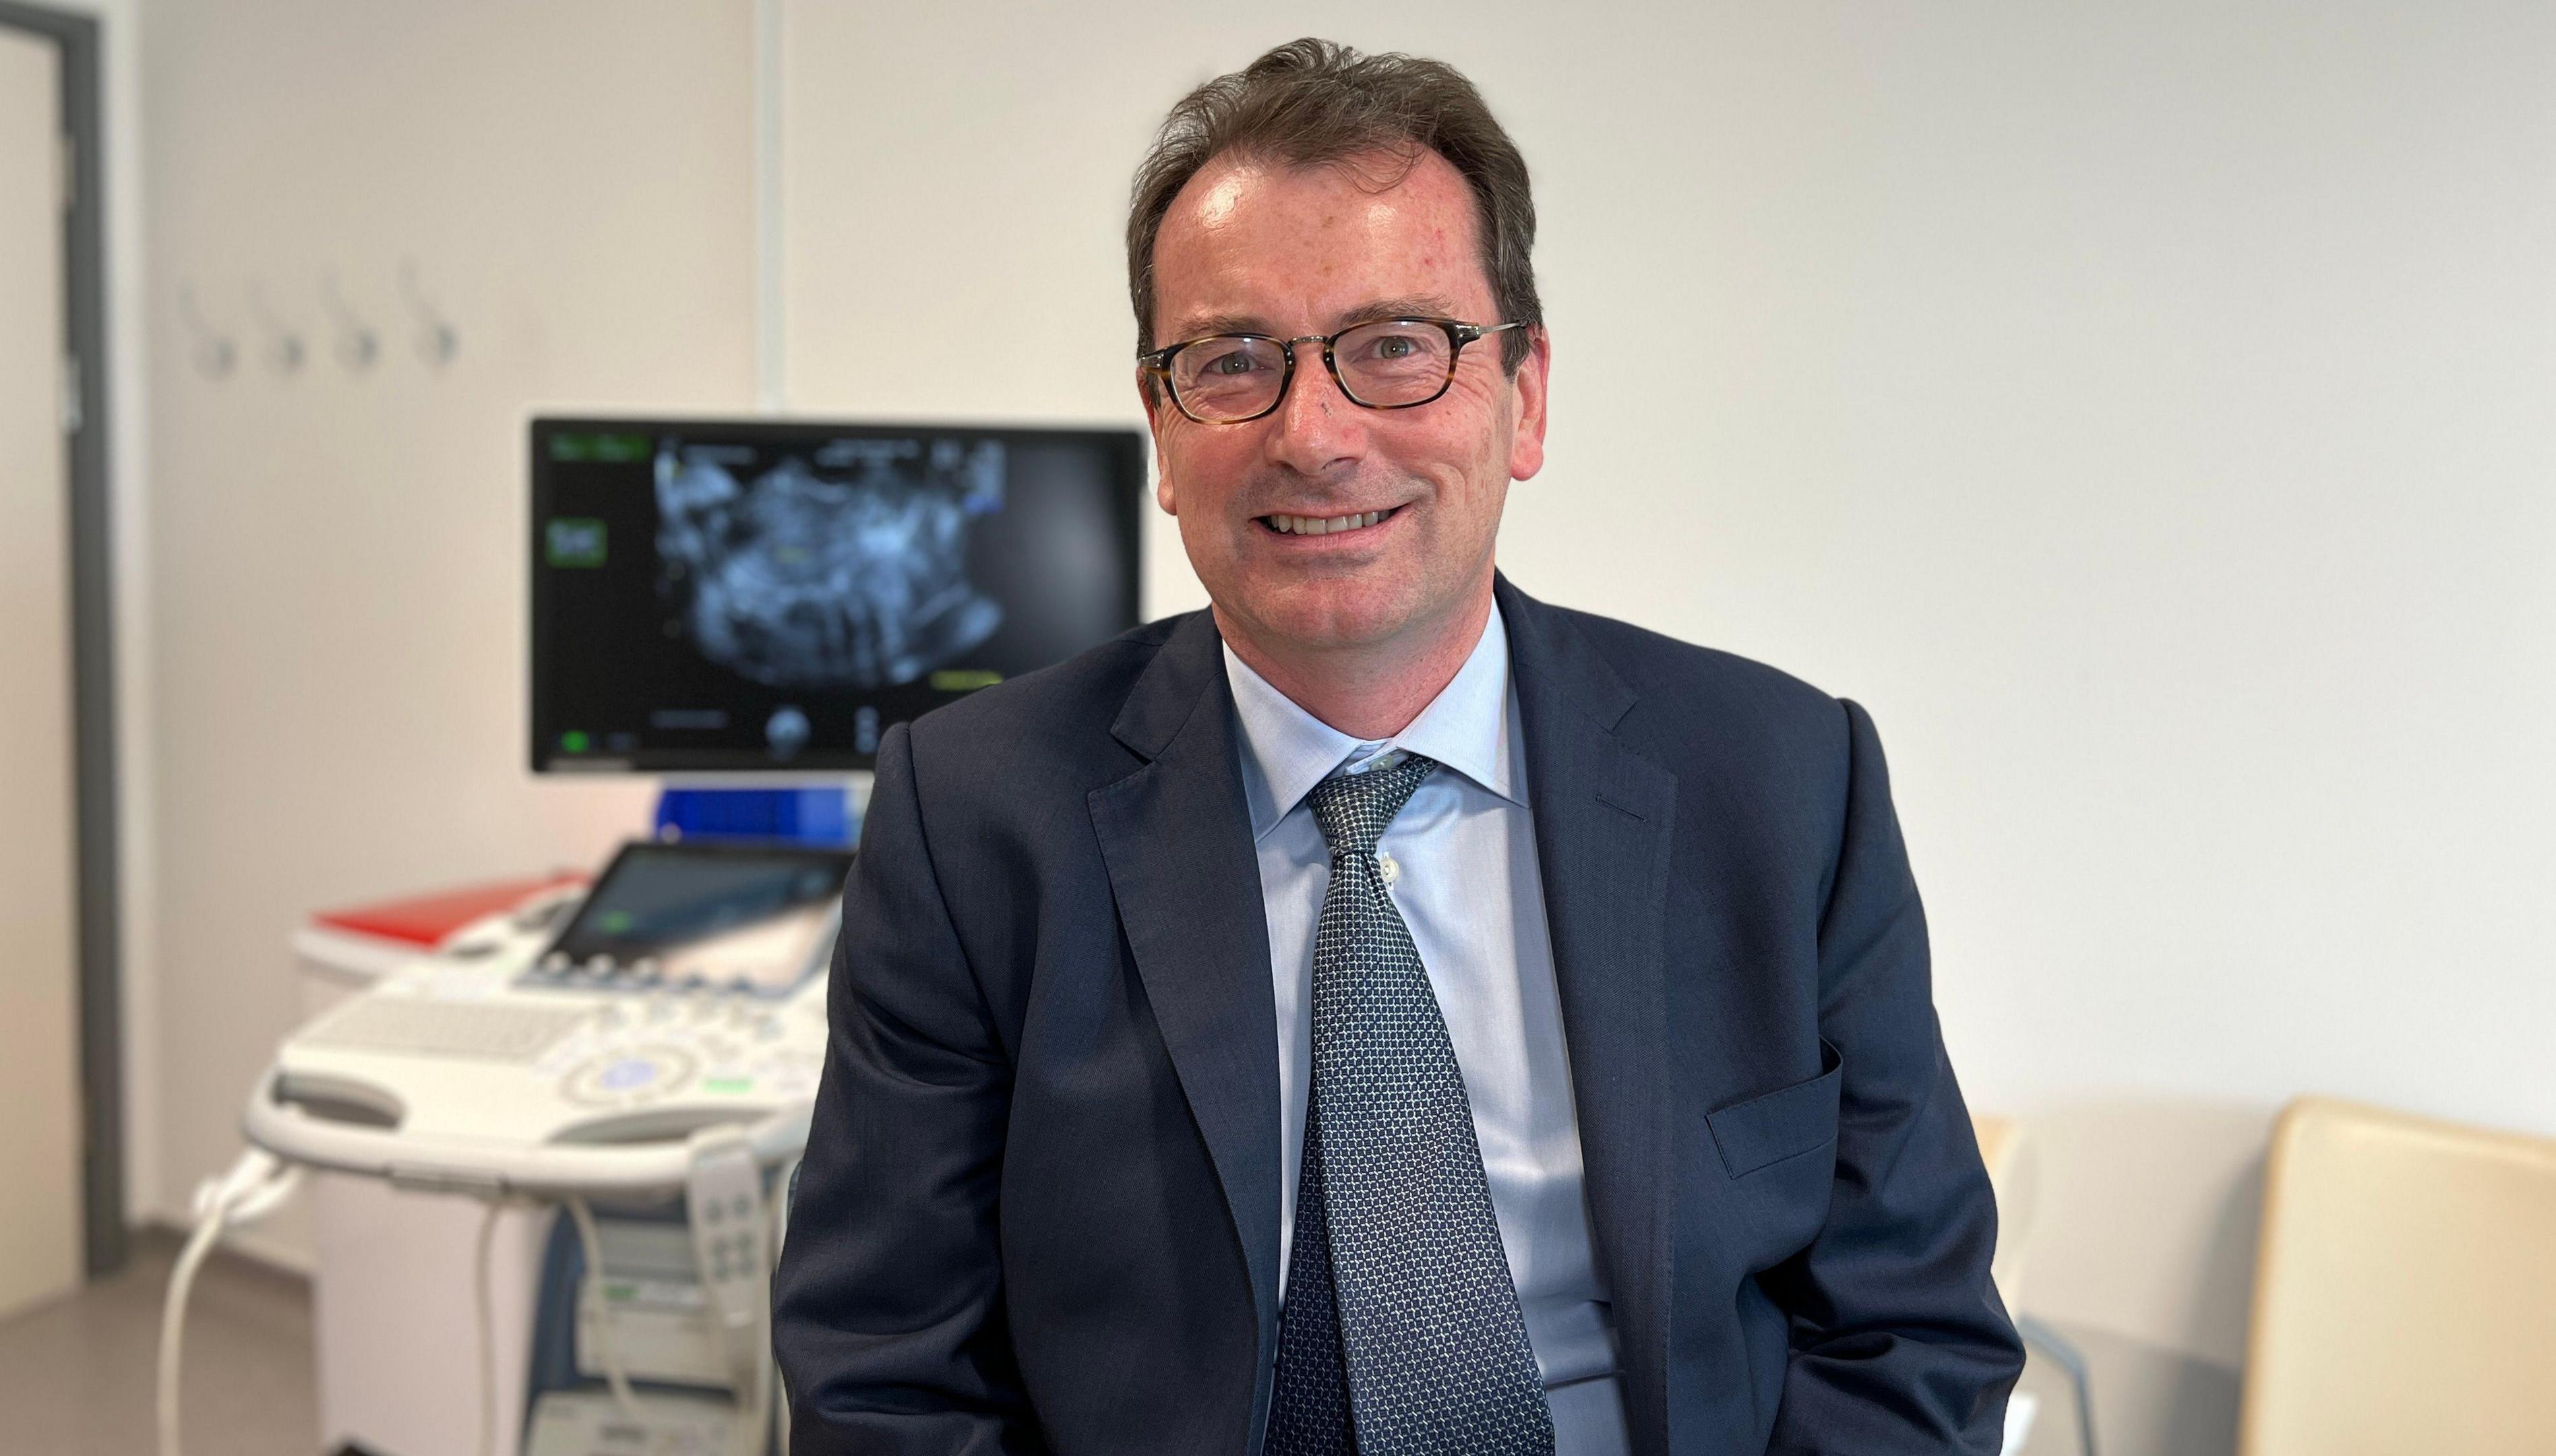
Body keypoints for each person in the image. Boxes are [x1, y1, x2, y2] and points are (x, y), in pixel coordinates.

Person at [773, 38, 2024, 1455]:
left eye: (1394, 348)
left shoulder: (1785, 784)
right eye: (1234, 362)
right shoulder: (973, 819)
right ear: (1165, 438)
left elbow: (1909, 1335)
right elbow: (884, 1380)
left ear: (1525, 395)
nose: (1315, 435)